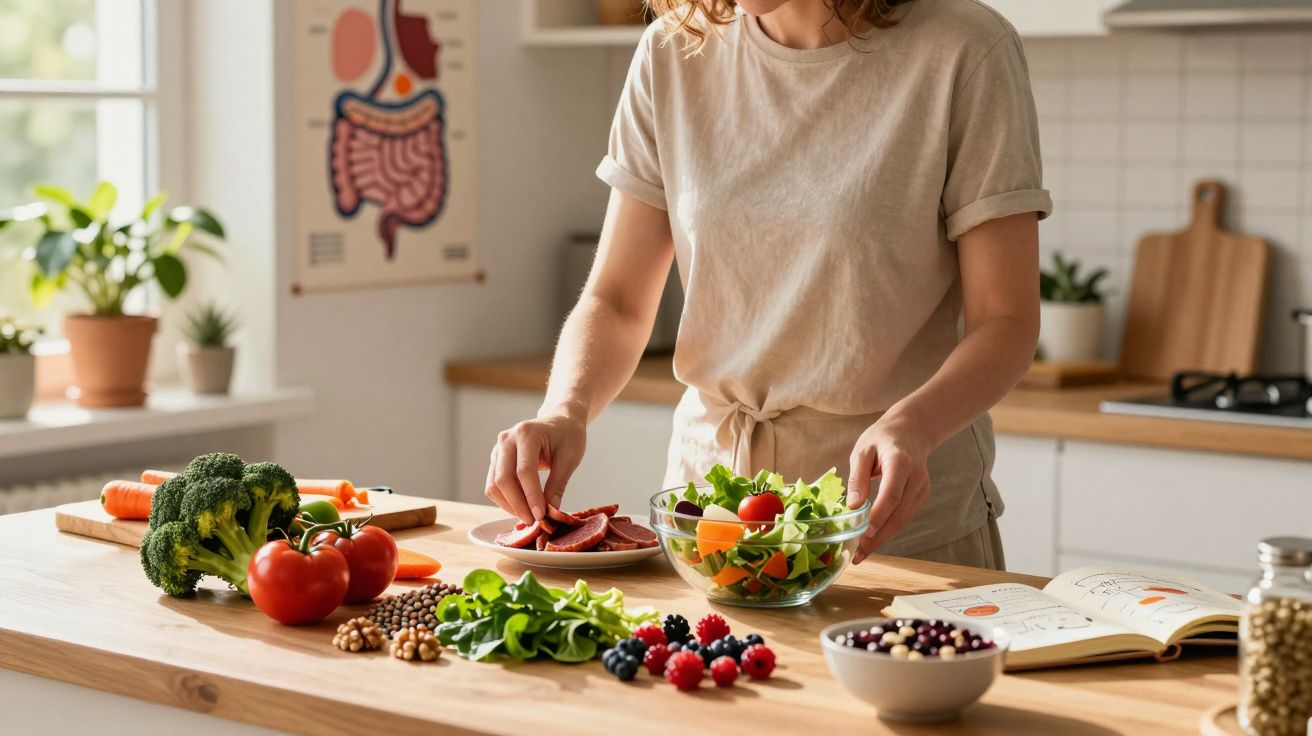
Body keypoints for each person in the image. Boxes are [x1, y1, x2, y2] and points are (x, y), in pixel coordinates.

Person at [484, 0, 1050, 569]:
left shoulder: (965, 48)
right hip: (710, 525)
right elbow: (618, 299)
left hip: (892, 524)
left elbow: (1005, 320)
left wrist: (916, 425)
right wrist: (565, 409)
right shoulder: (672, 52)